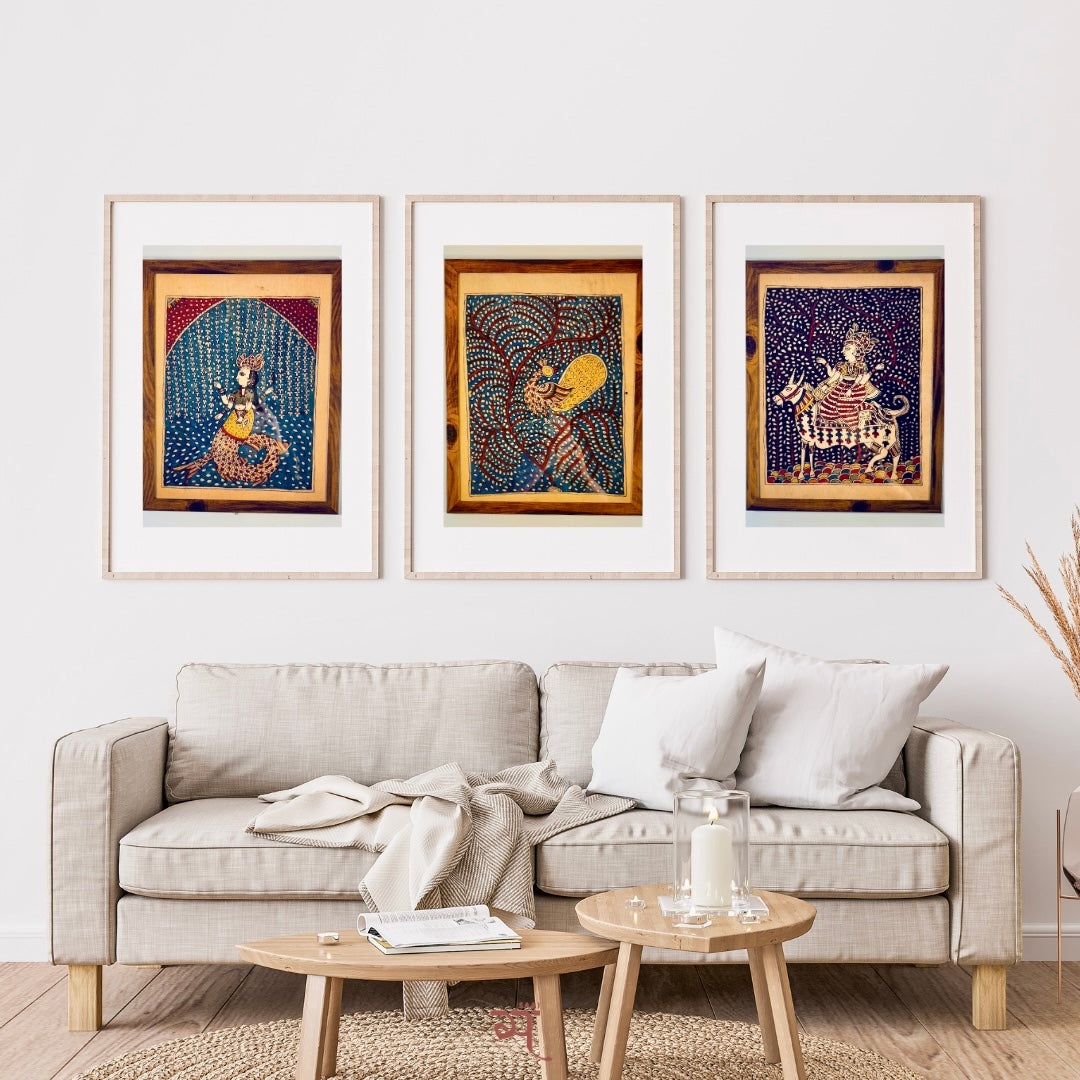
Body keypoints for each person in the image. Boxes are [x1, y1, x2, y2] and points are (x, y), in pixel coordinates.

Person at [812, 324, 882, 429]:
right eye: (844, 348)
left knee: (842, 406)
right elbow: (834, 375)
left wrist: (851, 389)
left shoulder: (860, 366)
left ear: (856, 351)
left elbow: (861, 381)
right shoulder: (842, 365)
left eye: (847, 349)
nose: (843, 351)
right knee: (827, 405)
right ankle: (841, 423)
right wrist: (825, 364)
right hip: (841, 387)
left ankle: (855, 426)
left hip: (855, 389)